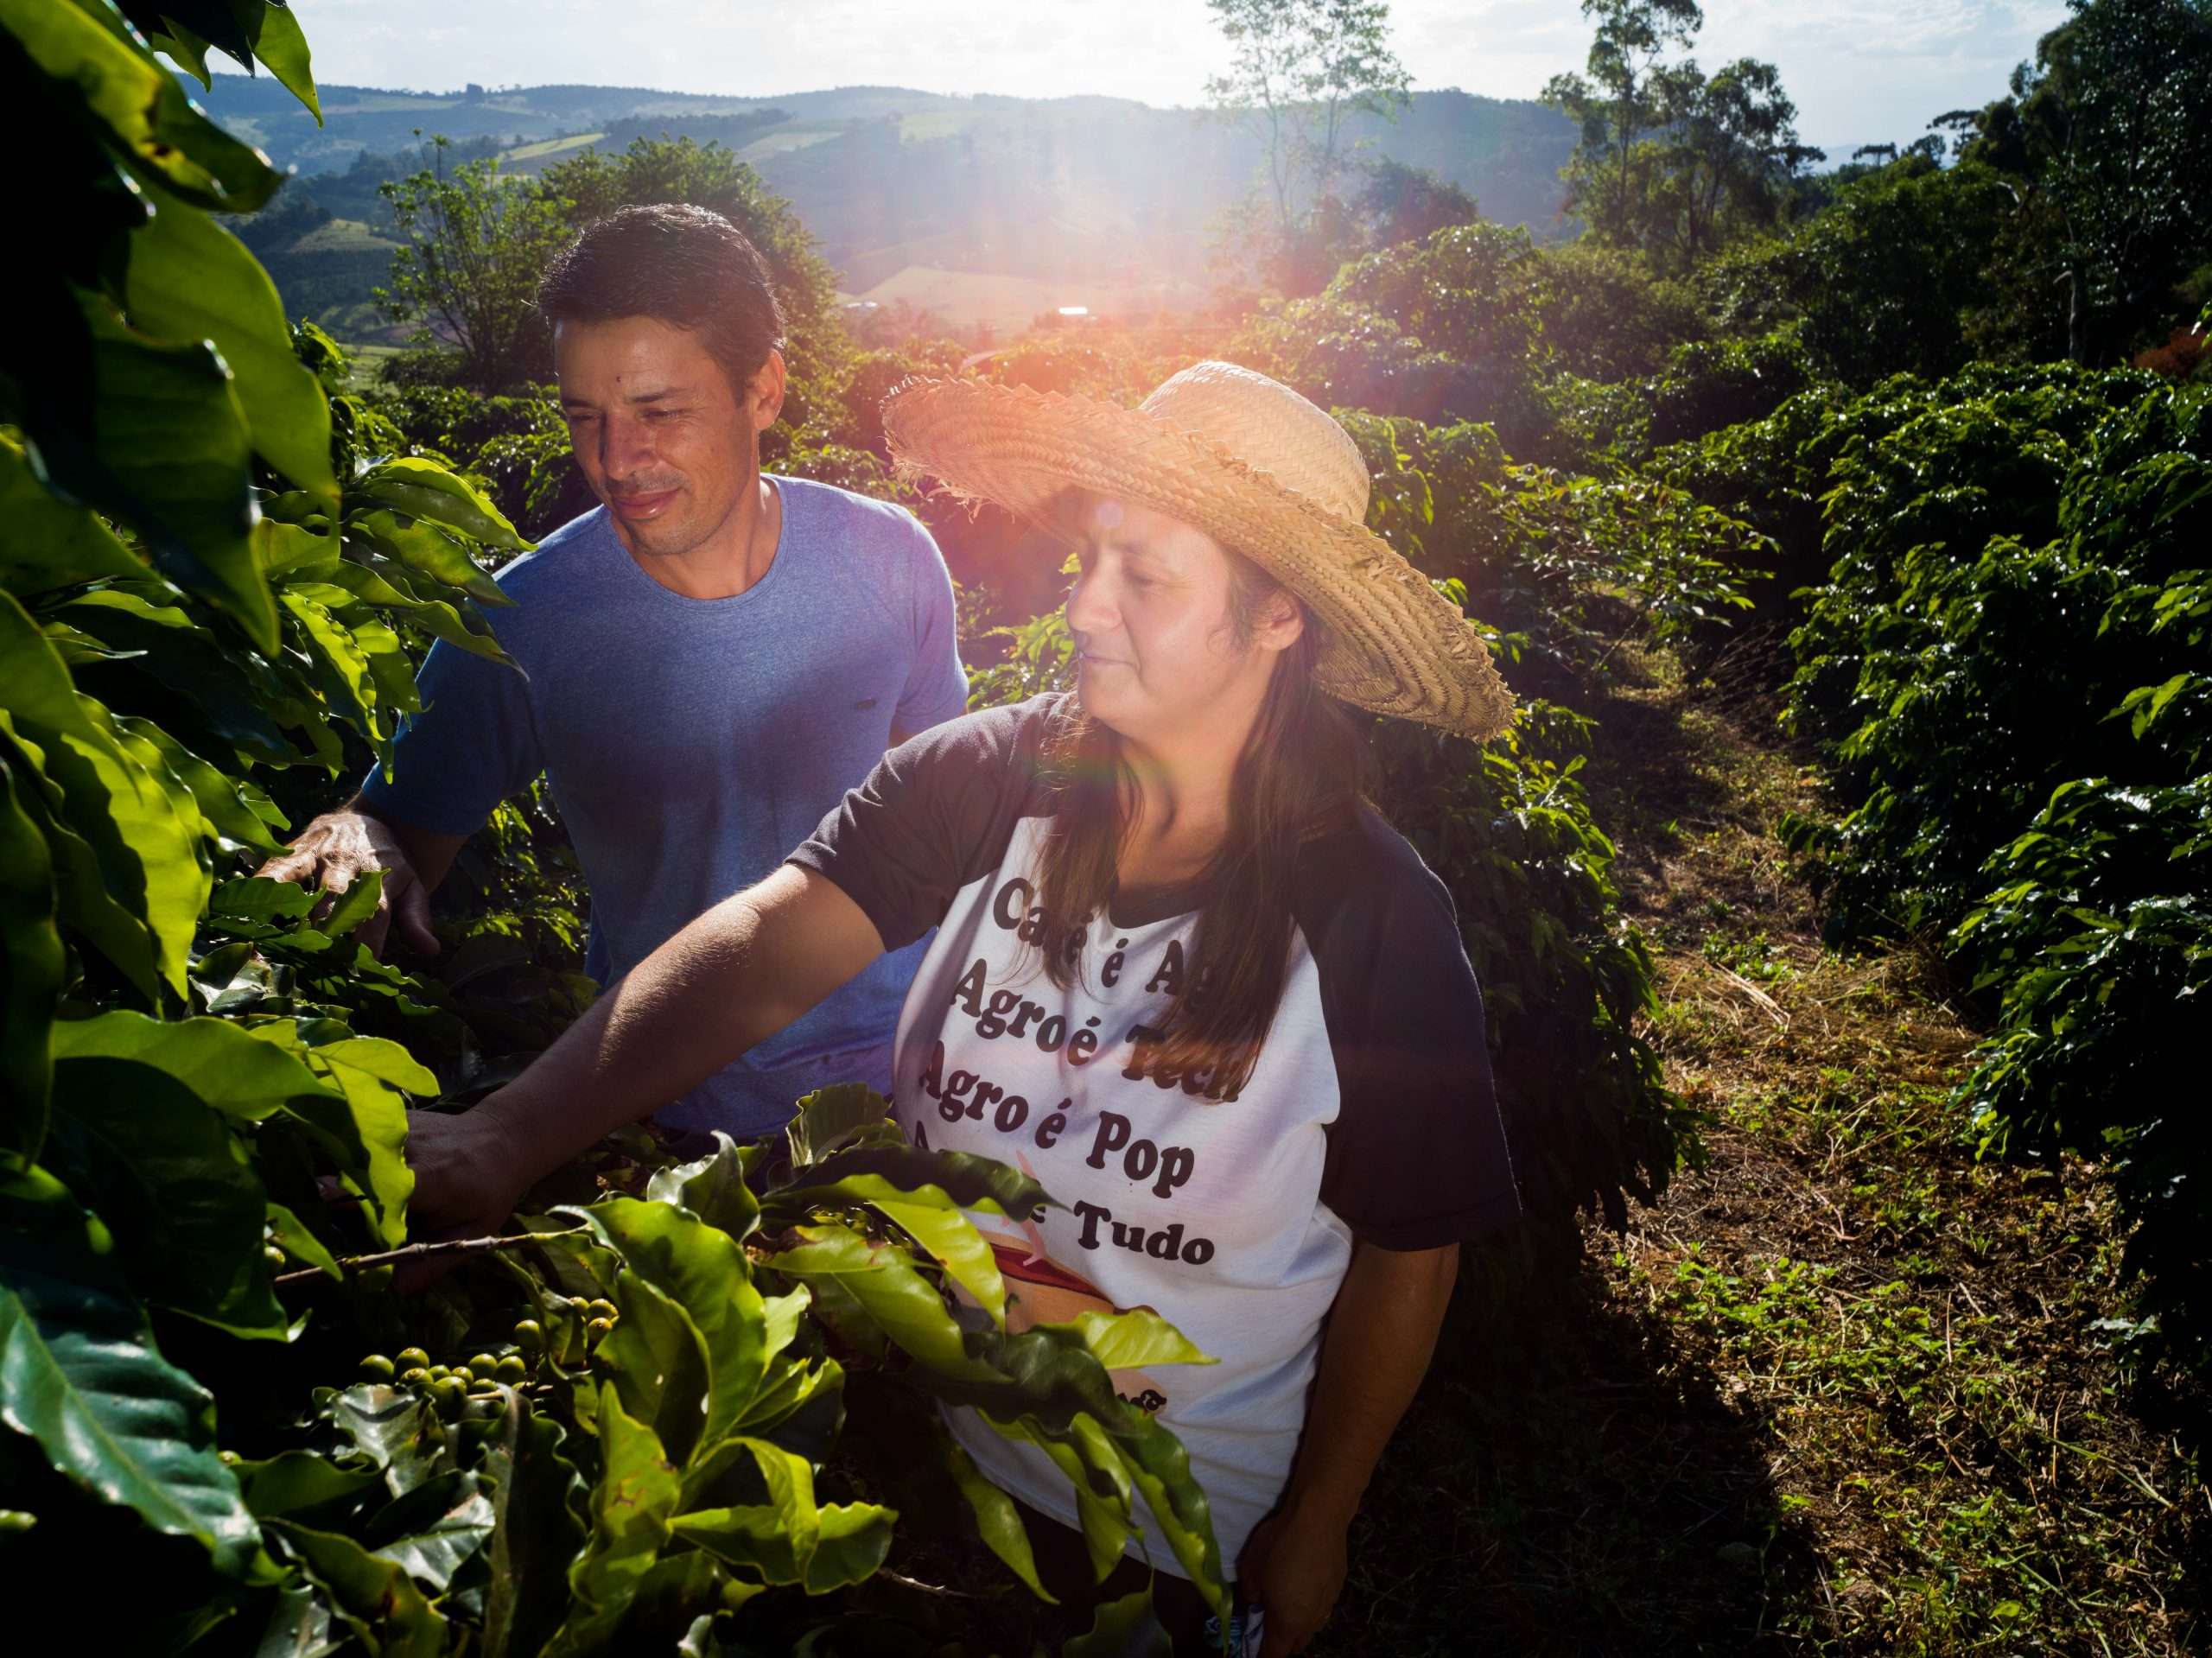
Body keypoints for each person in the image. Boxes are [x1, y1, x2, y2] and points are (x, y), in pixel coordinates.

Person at [404, 361, 1522, 1655]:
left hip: (1168, 1517)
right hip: (935, 1436)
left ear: (1278, 619)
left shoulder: (1368, 914)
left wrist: (1324, 1513)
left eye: (1147, 577)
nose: (1090, 610)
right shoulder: (993, 778)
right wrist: (510, 1132)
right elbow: (767, 943)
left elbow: (1411, 1246)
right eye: (1089, 562)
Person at [261, 205, 969, 1136]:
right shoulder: (530, 619)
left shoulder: (891, 561)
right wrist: (352, 836)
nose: (615, 460)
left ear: (763, 391)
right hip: (665, 1119)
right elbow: (386, 818)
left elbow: (950, 838)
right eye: (584, 416)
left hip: (914, 1093)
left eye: (657, 412)